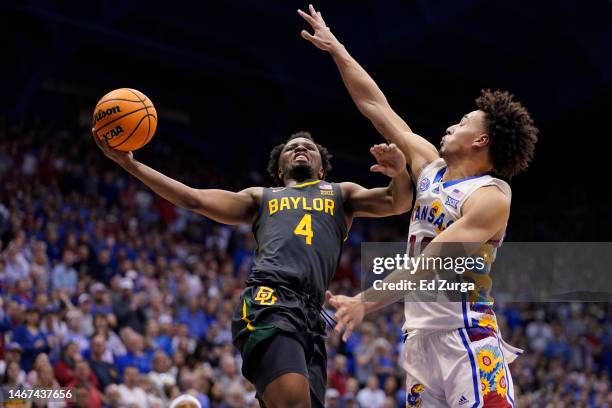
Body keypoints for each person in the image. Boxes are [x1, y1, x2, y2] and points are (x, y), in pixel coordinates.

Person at [299, 5, 538, 406]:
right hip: (418, 339)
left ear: (481, 142)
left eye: (463, 123)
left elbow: (431, 261)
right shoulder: (428, 166)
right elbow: (376, 107)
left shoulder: (491, 197)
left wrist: (365, 300)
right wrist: (337, 49)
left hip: (467, 338)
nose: (450, 126)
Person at [93, 129, 413, 407]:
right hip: (268, 303)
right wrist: (130, 165)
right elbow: (194, 199)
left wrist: (399, 173)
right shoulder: (261, 197)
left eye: (309, 147)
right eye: (291, 147)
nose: (300, 148)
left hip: (311, 317)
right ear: (278, 167)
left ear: (322, 167)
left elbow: (397, 202)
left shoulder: (342, 193)